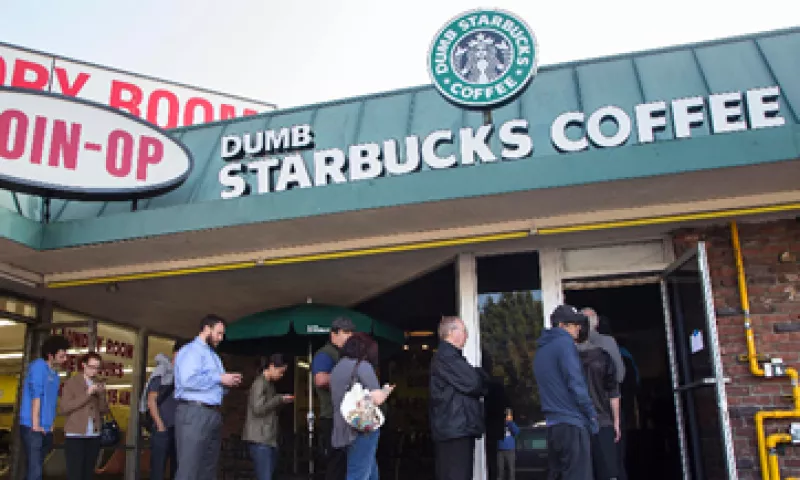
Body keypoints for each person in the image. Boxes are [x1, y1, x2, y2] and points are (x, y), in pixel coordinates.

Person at [174, 314, 242, 480]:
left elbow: (213, 384)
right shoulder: (191, 351)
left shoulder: (213, 355)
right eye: (218, 333)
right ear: (206, 329)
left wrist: (226, 384)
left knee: (208, 469)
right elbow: (187, 380)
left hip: (211, 413)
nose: (220, 338)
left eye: (222, 334)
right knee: (189, 468)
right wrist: (219, 378)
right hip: (194, 411)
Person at [533, 305, 597, 480]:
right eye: (573, 324)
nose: (578, 328)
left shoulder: (541, 350)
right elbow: (576, 383)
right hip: (572, 423)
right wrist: (591, 415)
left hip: (554, 426)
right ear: (561, 325)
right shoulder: (564, 344)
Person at [430, 316, 488, 480]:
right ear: (451, 332)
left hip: (456, 428)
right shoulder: (446, 356)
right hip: (454, 430)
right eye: (464, 331)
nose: (467, 335)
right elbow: (474, 382)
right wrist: (479, 376)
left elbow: (475, 382)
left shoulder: (452, 357)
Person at [330, 333, 394, 480]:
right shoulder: (363, 367)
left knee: (370, 473)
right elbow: (377, 399)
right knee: (358, 474)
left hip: (342, 430)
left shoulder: (337, 369)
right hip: (362, 428)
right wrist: (386, 390)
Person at [19, 335, 70, 480]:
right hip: (32, 425)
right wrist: (35, 424)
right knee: (35, 471)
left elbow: (52, 400)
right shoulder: (38, 366)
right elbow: (37, 395)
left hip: (46, 427)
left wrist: (51, 424)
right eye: (62, 355)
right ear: (50, 355)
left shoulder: (54, 374)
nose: (64, 359)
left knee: (36, 467)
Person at [311, 317, 355, 480]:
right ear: (334, 334)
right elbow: (320, 380)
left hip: (346, 417)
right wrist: (346, 376)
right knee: (336, 464)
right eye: (346, 332)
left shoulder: (345, 355)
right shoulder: (325, 354)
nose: (350, 336)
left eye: (351, 332)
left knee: (345, 463)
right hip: (332, 416)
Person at [141, 339, 189, 480]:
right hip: (163, 426)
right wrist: (160, 424)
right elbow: (151, 400)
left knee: (177, 467)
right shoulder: (162, 370)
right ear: (176, 353)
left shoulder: (184, 374)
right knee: (158, 469)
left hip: (178, 427)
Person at [243, 353, 295, 480]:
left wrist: (281, 401)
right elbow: (258, 409)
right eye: (280, 372)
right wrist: (279, 399)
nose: (281, 375)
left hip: (267, 437)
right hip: (260, 438)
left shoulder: (269, 384)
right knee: (265, 476)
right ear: (271, 366)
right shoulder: (260, 384)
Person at [577, 332, 621, 480]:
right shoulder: (603, 357)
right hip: (602, 420)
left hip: (578, 424)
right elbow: (613, 392)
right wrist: (616, 421)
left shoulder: (568, 361)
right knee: (608, 471)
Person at [59, 352, 109, 480]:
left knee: (88, 473)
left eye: (97, 368)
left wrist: (102, 395)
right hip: (75, 435)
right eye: (92, 367)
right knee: (75, 473)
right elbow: (64, 408)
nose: (94, 371)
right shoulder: (72, 383)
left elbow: (103, 410)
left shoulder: (97, 382)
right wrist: (87, 393)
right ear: (83, 365)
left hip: (93, 435)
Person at [497, 408, 520, 480]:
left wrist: (510, 423)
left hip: (510, 449)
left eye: (508, 415)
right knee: (500, 470)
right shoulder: (499, 423)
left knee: (511, 470)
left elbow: (517, 432)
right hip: (500, 449)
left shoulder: (511, 424)